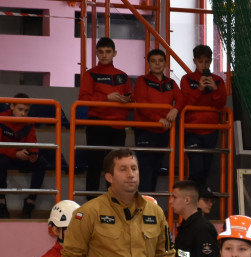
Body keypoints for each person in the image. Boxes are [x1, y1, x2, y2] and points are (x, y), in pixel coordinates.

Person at [78, 37, 131, 197]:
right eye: (101, 52)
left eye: (108, 52)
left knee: (117, 167)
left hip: (118, 127)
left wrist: (127, 100)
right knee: (95, 164)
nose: (104, 55)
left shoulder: (123, 76)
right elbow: (83, 99)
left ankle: (114, 201)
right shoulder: (90, 74)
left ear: (114, 53)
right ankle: (91, 203)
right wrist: (107, 98)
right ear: (96, 53)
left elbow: (132, 98)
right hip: (97, 124)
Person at [133, 48, 181, 193]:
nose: (157, 64)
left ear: (165, 63)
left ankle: (150, 207)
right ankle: (142, 208)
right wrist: (158, 119)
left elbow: (182, 99)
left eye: (160, 61)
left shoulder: (171, 82)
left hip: (163, 131)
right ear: (148, 64)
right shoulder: (142, 80)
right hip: (145, 131)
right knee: (145, 170)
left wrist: (175, 109)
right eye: (153, 61)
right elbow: (141, 103)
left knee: (155, 169)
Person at [179, 45, 226, 188]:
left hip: (211, 129)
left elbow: (221, 104)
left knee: (206, 170)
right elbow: (186, 103)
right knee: (196, 169)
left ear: (211, 62)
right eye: (200, 61)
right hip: (192, 129)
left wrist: (215, 90)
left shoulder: (218, 80)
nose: (204, 65)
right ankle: (192, 201)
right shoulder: (187, 79)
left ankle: (200, 203)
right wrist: (199, 89)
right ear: (194, 61)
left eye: (207, 62)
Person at [0, 93, 48, 218]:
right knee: (1, 161)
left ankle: (30, 202)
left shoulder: (28, 121)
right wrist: (15, 153)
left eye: (26, 110)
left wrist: (34, 153)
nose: (23, 113)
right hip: (6, 155)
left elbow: (32, 140)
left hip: (21, 155)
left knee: (41, 162)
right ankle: (1, 202)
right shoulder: (1, 118)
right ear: (11, 106)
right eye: (20, 109)